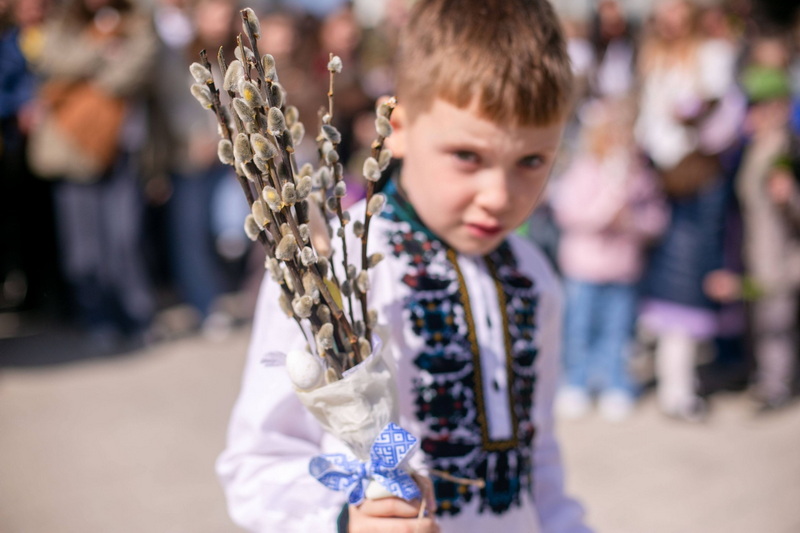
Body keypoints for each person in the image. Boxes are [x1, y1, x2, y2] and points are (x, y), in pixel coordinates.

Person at [216, 0, 592, 532]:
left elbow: (541, 460)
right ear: (398, 126)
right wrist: (344, 519)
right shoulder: (333, 266)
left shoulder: (534, 276)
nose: (498, 195)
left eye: (531, 161)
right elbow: (258, 462)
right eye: (468, 156)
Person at [552, 98, 668, 422]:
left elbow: (656, 219)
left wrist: (632, 222)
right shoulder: (584, 171)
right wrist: (607, 207)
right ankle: (576, 382)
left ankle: (615, 383)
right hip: (584, 267)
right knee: (578, 329)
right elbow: (568, 212)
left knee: (618, 332)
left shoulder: (639, 176)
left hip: (623, 268)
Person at [735, 36, 800, 411]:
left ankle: (777, 384)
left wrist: (789, 196)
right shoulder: (756, 148)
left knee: (777, 323)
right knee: (760, 320)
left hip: (780, 253)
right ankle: (763, 376)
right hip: (755, 249)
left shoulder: (787, 149)